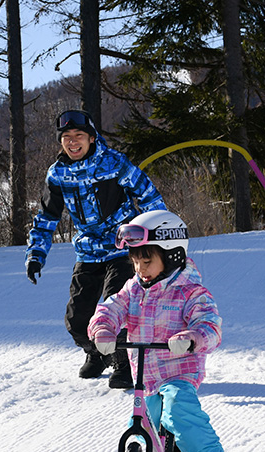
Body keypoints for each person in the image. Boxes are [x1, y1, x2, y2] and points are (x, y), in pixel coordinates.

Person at [86, 209, 233, 452]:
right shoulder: (133, 290)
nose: (140, 267)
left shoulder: (191, 292)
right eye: (135, 260)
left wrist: (192, 337)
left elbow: (210, 326)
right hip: (146, 376)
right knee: (145, 422)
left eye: (147, 260)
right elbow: (111, 307)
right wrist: (103, 329)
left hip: (179, 371)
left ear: (172, 255)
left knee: (178, 410)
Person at [25, 109, 168, 390]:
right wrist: (36, 254)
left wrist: (161, 236)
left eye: (79, 136)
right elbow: (46, 217)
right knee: (77, 317)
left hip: (123, 247)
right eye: (66, 137)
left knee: (117, 306)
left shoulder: (114, 163)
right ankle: (96, 353)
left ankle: (124, 362)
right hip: (88, 251)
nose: (73, 142)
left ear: (92, 138)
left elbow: (148, 195)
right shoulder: (58, 174)